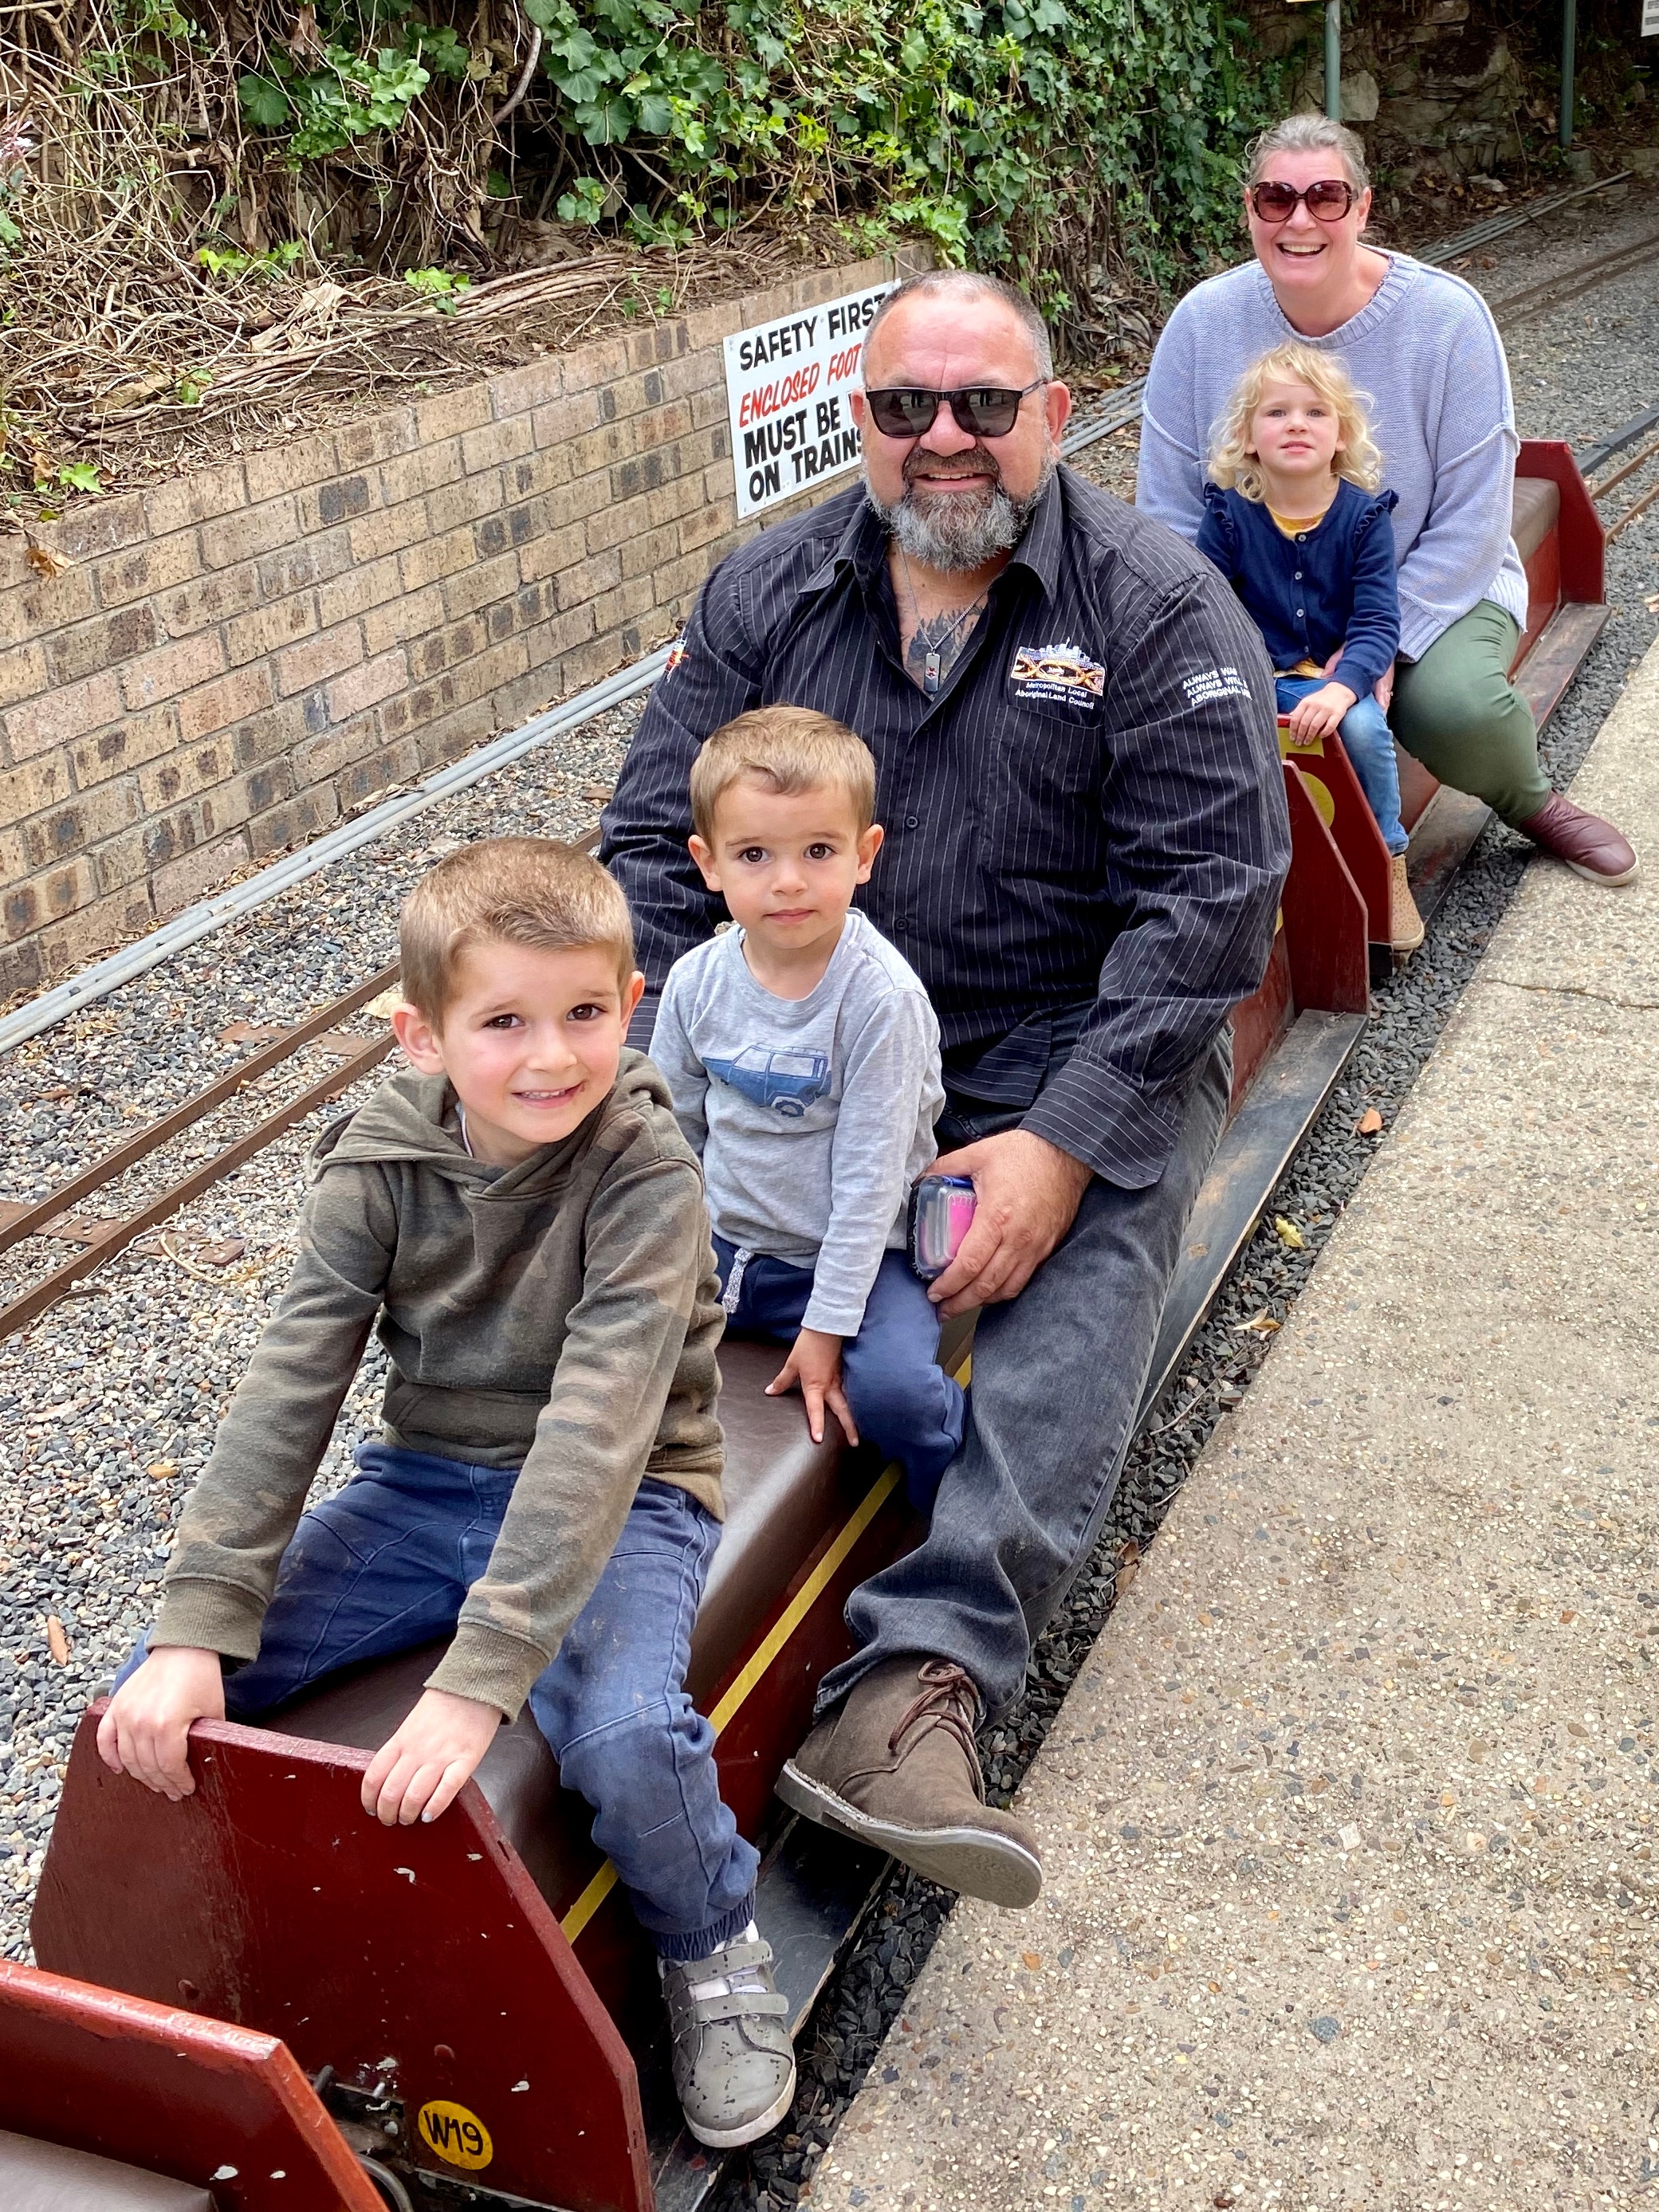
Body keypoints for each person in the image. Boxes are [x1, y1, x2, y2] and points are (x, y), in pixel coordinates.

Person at [600, 267, 1291, 1911]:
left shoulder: (1156, 607)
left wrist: (1054, 1144)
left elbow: (1209, 904)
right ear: (857, 425)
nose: (943, 440)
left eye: (983, 405)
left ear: (1053, 416)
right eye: (903, 406)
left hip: (1050, 1043)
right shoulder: (766, 593)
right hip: (807, 1030)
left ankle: (919, 1683)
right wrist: (626, 1058)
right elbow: (647, 845)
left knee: (1090, 1235)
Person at [95, 838, 796, 2152]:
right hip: (425, 1484)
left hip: (631, 1491)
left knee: (626, 1735)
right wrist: (197, 1626)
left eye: (584, 1014)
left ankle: (714, 1947)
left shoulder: (646, 1176)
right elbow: (288, 1387)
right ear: (422, 1039)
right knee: (171, 1684)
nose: (551, 1057)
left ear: (628, 1004)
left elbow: (596, 1434)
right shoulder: (378, 1162)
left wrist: (482, 1677)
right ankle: (181, 1950)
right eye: (505, 1023)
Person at [1138, 112, 1638, 888]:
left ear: (1362, 210)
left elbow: (1472, 519)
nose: (1298, 219)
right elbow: (1166, 514)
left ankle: (1528, 799)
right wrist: (1225, 641)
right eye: (1274, 199)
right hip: (1256, 599)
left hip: (1421, 581)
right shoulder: (1200, 325)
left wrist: (1376, 647)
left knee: (1449, 709)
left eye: (1324, 198)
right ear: (1248, 213)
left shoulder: (1445, 320)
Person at [651, 705, 964, 1509]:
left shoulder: (878, 999)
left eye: (817, 851)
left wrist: (824, 1332)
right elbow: (669, 1137)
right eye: (754, 854)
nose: (787, 880)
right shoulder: (693, 981)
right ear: (707, 863)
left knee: (895, 1395)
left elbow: (867, 1187)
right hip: (723, 1251)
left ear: (864, 855)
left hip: (851, 1258)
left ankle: (952, 1516)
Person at [1197, 339, 1423, 953]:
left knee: (1365, 734)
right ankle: (1228, 874)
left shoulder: (1364, 520)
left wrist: (1344, 686)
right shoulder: (1226, 516)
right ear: (1247, 437)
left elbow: (1378, 621)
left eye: (1315, 412)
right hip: (1251, 674)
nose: (1295, 423)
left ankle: (1387, 859)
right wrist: (1244, 679)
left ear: (1341, 436)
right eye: (1276, 412)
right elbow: (1207, 609)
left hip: (1333, 677)